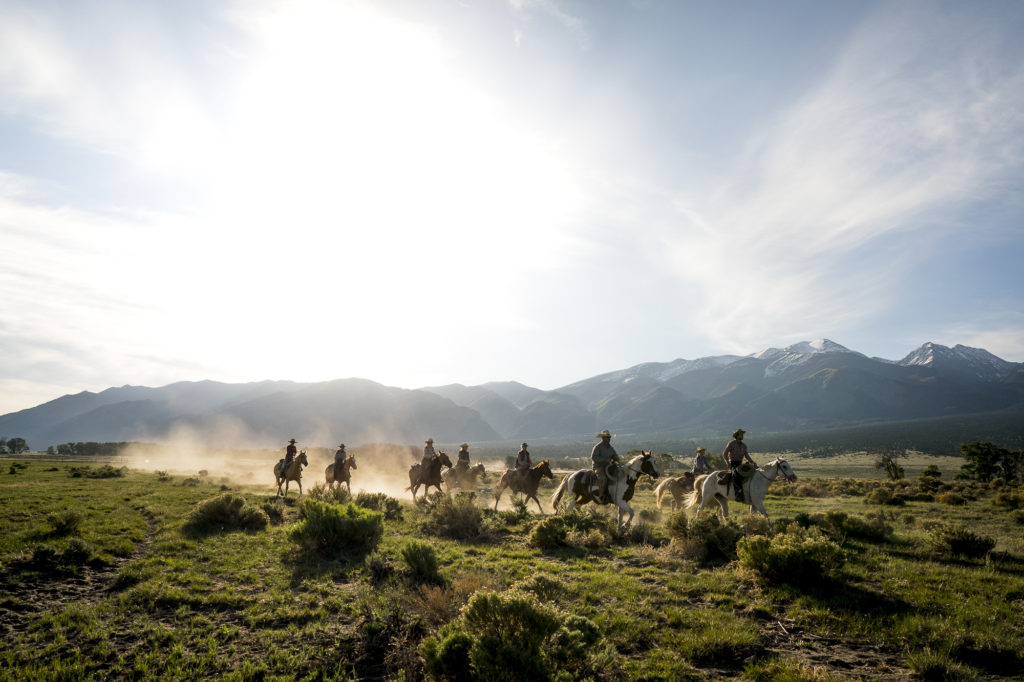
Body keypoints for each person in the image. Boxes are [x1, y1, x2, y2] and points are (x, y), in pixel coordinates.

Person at [722, 429, 756, 500]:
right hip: (733, 464)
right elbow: (724, 454)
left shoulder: (744, 446)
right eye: (741, 434)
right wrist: (727, 462)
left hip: (740, 464)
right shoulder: (731, 444)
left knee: (751, 473)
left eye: (743, 434)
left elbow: (746, 455)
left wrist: (752, 462)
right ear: (737, 435)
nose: (742, 436)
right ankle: (737, 493)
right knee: (736, 474)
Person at [591, 429, 619, 500]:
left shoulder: (610, 447)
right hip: (598, 466)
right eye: (608, 437)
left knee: (619, 474)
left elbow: (614, 455)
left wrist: (616, 457)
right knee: (603, 478)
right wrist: (604, 460)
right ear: (603, 438)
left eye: (609, 437)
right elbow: (594, 457)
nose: (609, 438)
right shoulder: (598, 447)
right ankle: (601, 495)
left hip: (608, 466)